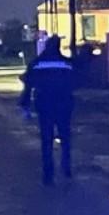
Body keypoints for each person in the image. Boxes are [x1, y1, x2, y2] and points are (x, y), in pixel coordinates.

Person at [19, 35, 76, 185]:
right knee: (65, 137)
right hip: (64, 105)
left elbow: (28, 84)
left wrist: (24, 104)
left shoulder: (37, 63)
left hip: (44, 105)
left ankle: (48, 172)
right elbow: (75, 82)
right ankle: (66, 167)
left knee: (46, 139)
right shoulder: (66, 63)